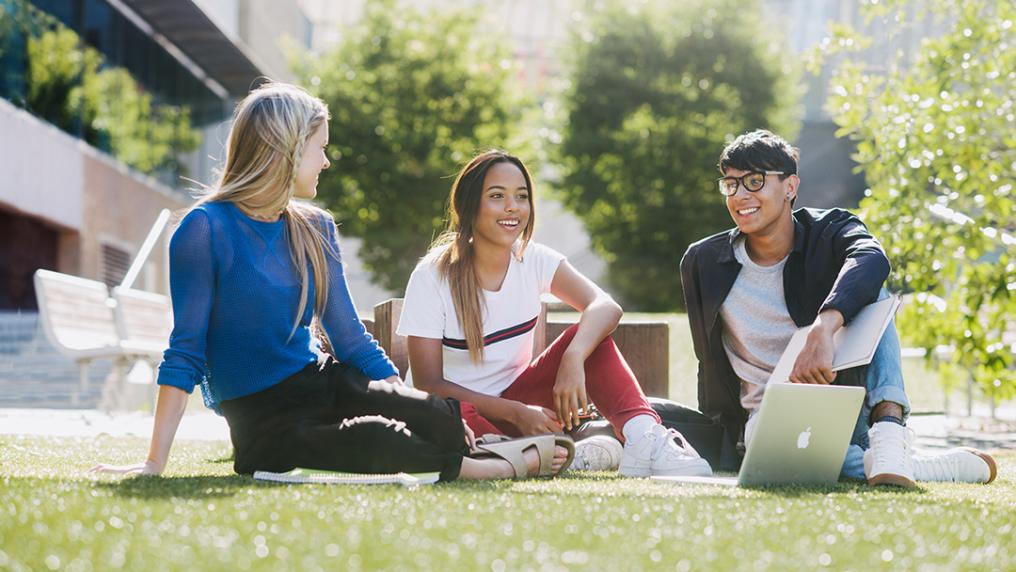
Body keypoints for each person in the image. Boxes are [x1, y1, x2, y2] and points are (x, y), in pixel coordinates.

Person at [89, 83, 571, 481]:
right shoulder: (203, 230)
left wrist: (414, 403)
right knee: (377, 441)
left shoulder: (315, 228)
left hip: (321, 381)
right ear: (286, 150)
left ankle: (460, 450)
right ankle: (490, 469)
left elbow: (350, 340)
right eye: (320, 149)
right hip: (262, 416)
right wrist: (154, 462)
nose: (326, 161)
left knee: (438, 416)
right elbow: (186, 351)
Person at [680, 129, 997, 486]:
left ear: (790, 187)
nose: (740, 195)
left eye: (754, 181)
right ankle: (907, 466)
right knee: (785, 453)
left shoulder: (831, 231)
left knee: (871, 292)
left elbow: (872, 258)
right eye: (731, 184)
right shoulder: (703, 260)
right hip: (764, 424)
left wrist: (823, 328)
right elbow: (708, 360)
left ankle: (890, 437)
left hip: (844, 413)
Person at [398, 150, 712, 477]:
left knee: (592, 338)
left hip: (520, 408)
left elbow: (605, 305)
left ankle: (643, 439)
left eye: (522, 196)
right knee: (447, 412)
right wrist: (517, 413)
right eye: (496, 196)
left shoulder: (534, 259)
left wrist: (573, 358)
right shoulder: (432, 275)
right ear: (468, 205)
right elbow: (429, 384)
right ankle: (545, 454)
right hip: (456, 414)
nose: (512, 207)